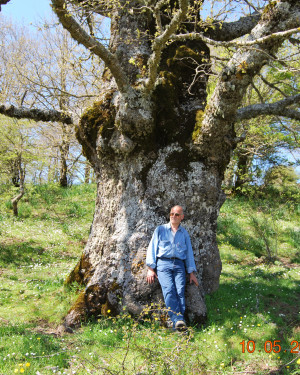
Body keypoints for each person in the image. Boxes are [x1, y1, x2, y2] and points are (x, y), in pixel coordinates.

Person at [146, 205, 199, 331]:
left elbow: (189, 254)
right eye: (171, 214)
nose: (173, 216)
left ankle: (180, 323)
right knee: (169, 290)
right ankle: (178, 320)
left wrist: (191, 272)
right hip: (163, 264)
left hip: (179, 264)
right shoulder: (160, 230)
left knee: (180, 291)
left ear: (182, 217)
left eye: (176, 214)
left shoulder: (184, 233)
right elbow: (152, 248)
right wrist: (150, 268)